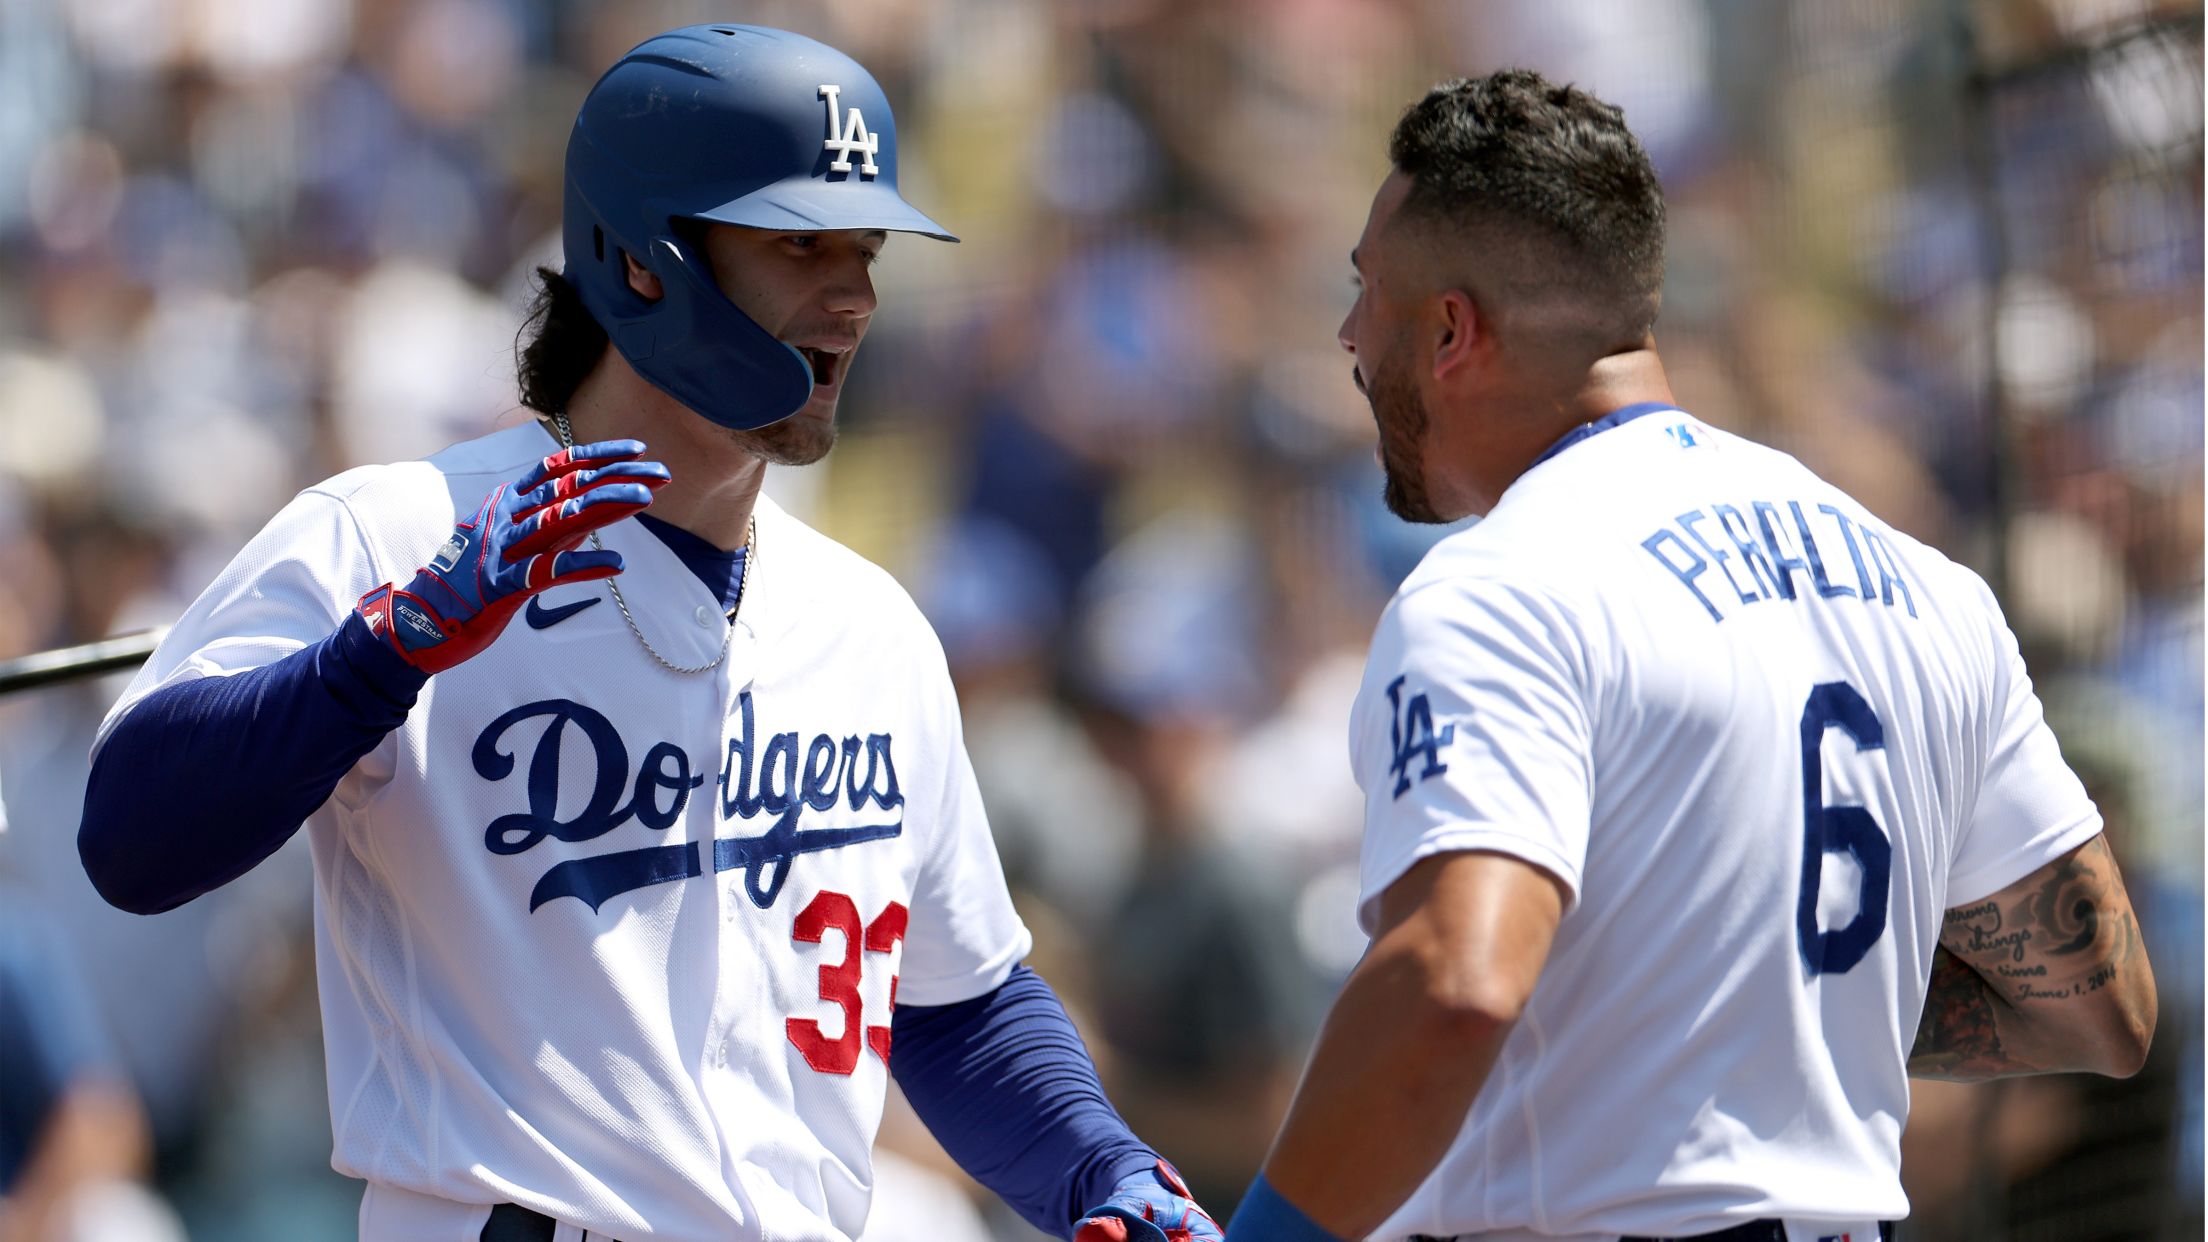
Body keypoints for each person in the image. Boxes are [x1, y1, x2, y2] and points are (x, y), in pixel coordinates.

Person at [76, 25, 1219, 1242]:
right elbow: (131, 842)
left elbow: (951, 1004)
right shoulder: (402, 531)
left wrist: (1101, 1165)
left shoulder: (873, 626)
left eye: (865, 251)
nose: (856, 298)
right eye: (799, 245)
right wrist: (378, 657)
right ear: (641, 260)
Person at [1221, 71, 2158, 1242]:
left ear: (1453, 329)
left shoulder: (1502, 585)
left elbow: (1454, 989)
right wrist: (1771, 993)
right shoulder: (1926, 585)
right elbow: (2100, 999)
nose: (1350, 336)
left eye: (1365, 290)